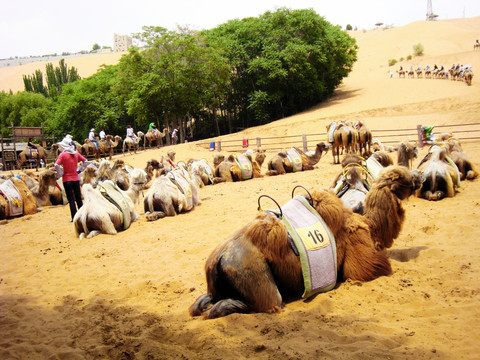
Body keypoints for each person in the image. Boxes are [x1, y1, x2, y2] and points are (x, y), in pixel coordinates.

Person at [55, 138, 89, 222]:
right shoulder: (76, 154)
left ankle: (74, 217)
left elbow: (56, 164)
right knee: (78, 198)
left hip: (67, 180)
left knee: (71, 199)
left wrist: (61, 173)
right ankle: (82, 215)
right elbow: (86, 161)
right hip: (75, 179)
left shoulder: (63, 155)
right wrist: (79, 170)